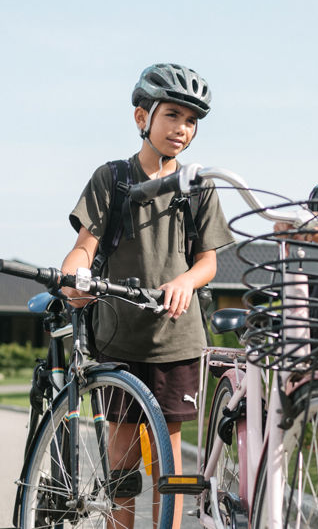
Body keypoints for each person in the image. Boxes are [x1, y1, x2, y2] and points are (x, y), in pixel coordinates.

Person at [60, 62, 234, 529]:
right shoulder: (113, 179)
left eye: (191, 120)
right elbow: (84, 247)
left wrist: (185, 281)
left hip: (176, 340)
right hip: (118, 337)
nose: (182, 128)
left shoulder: (199, 186)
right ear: (142, 117)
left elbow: (208, 262)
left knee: (168, 459)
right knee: (120, 458)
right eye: (172, 115)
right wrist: (73, 275)